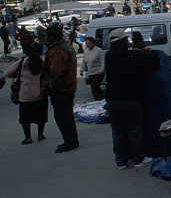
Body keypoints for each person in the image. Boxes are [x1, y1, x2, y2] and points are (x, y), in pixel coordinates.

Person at [104, 28, 160, 169]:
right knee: (134, 130)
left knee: (117, 131)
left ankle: (121, 161)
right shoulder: (134, 56)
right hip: (131, 99)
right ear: (125, 42)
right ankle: (138, 159)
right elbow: (154, 61)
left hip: (112, 100)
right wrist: (148, 51)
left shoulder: (108, 56)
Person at [41, 24, 79, 153]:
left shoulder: (57, 51)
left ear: (52, 37)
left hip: (61, 90)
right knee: (67, 116)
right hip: (67, 89)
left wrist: (51, 89)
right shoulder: (64, 46)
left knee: (63, 117)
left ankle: (69, 141)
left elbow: (56, 73)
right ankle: (71, 140)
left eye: (46, 36)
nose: (45, 38)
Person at [4, 43, 47, 144]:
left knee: (25, 117)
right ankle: (40, 135)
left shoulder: (23, 61)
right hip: (41, 93)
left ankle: (28, 137)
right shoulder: (45, 60)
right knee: (41, 116)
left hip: (25, 95)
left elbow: (7, 73)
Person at [81, 36, 105, 101]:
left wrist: (101, 70)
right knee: (93, 89)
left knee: (95, 87)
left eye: (89, 43)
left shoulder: (98, 50)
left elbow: (102, 61)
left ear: (93, 43)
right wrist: (81, 70)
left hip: (98, 72)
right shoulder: (86, 51)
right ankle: (97, 101)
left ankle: (102, 99)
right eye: (86, 43)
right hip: (91, 72)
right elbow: (84, 61)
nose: (87, 44)